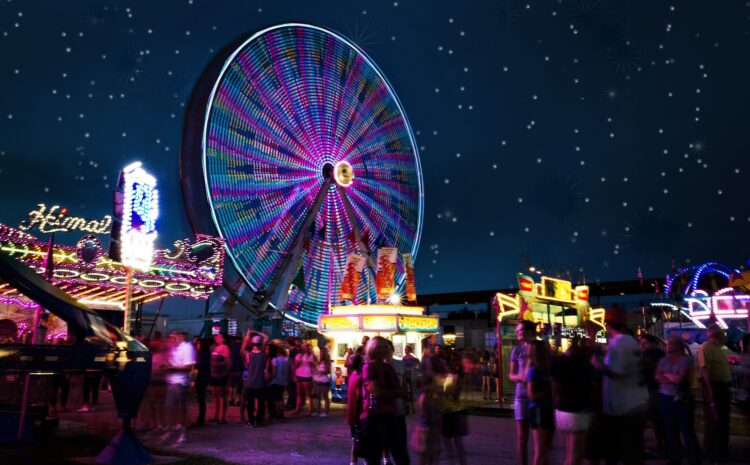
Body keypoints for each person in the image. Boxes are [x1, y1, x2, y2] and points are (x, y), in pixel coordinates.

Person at [592, 305, 648, 465]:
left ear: (608, 324)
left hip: (624, 408)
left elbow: (616, 373)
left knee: (623, 453)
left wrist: (597, 364)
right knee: (633, 452)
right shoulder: (630, 341)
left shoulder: (619, 343)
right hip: (635, 403)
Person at [360, 336, 409, 465]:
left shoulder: (389, 367)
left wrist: (391, 393)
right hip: (374, 416)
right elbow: (376, 392)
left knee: (401, 454)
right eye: (381, 347)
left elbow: (402, 392)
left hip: (390, 414)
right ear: (374, 349)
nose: (385, 350)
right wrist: (395, 393)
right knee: (374, 456)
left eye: (386, 347)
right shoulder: (368, 367)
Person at [655, 335, 701, 465]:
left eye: (671, 344)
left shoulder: (687, 360)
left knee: (687, 429)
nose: (668, 346)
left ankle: (693, 458)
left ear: (679, 346)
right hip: (666, 397)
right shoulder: (663, 360)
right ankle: (675, 458)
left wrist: (666, 376)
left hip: (682, 398)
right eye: (668, 344)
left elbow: (681, 379)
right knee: (670, 430)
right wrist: (672, 378)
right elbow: (657, 376)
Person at [551, 337, 593, 465]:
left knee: (569, 453)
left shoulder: (560, 365)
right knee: (576, 454)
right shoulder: (584, 366)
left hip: (561, 411)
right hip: (578, 412)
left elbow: (554, 387)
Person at [698, 324, 731, 462]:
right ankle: (712, 452)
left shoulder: (722, 348)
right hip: (714, 387)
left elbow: (731, 358)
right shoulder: (705, 348)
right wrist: (710, 391)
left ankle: (721, 451)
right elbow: (705, 371)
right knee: (714, 420)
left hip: (723, 387)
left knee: (723, 420)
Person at [509, 320, 536, 465]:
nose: (517, 332)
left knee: (539, 441)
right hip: (521, 398)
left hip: (537, 397)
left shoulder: (541, 348)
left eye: (520, 330)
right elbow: (511, 374)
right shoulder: (517, 350)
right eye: (517, 330)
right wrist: (520, 377)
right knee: (522, 439)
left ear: (530, 331)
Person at [164, 330, 196, 444]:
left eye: (173, 338)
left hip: (180, 382)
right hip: (172, 381)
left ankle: (182, 434)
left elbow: (188, 367)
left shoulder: (187, 348)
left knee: (179, 409)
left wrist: (171, 368)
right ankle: (172, 431)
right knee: (170, 408)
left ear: (181, 337)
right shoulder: (174, 347)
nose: (171, 340)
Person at [527, 340, 554, 465]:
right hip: (538, 410)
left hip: (548, 409)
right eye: (547, 350)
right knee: (541, 450)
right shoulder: (534, 371)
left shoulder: (548, 369)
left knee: (547, 449)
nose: (550, 351)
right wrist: (548, 391)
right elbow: (531, 395)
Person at [639, 334, 666, 454]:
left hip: (654, 389)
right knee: (655, 419)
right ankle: (662, 444)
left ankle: (662, 444)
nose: (642, 346)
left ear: (652, 343)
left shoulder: (657, 355)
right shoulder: (646, 355)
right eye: (641, 344)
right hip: (649, 388)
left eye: (644, 343)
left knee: (656, 418)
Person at [441, 351, 468, 465]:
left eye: (455, 361)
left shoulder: (456, 376)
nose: (452, 363)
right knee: (453, 440)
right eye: (450, 361)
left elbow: (455, 394)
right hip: (450, 409)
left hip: (454, 409)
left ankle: (460, 462)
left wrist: (443, 393)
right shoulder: (449, 375)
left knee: (455, 440)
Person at [411, 376, 441, 465]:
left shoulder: (431, 397)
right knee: (424, 457)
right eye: (432, 384)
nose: (435, 386)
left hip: (431, 430)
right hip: (425, 431)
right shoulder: (424, 398)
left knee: (433, 457)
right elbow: (430, 415)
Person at [243, 331, 269, 427]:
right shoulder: (263, 355)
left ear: (252, 343)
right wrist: (257, 332)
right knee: (261, 403)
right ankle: (259, 420)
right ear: (260, 344)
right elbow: (266, 337)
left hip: (250, 382)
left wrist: (249, 334)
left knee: (250, 403)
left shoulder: (248, 355)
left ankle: (251, 420)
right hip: (261, 382)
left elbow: (244, 348)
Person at [346, 354, 366, 465]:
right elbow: (359, 395)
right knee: (362, 440)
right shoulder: (359, 378)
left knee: (355, 440)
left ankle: (353, 462)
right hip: (359, 413)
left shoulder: (351, 376)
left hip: (351, 413)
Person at [209, 333, 231, 423]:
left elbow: (228, 362)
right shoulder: (215, 347)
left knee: (222, 396)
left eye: (218, 336)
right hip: (214, 375)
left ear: (223, 339)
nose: (216, 338)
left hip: (221, 375)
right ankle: (215, 415)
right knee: (215, 396)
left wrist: (217, 365)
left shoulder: (225, 348)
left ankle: (223, 417)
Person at [293, 342, 316, 415]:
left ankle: (310, 410)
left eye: (305, 347)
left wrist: (311, 364)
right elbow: (295, 366)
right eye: (302, 347)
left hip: (307, 375)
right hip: (299, 374)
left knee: (308, 394)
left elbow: (314, 365)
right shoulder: (298, 355)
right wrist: (298, 362)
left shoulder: (311, 355)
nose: (303, 348)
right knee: (299, 393)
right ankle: (297, 410)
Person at [193, 337, 211, 427]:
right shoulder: (201, 354)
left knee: (201, 399)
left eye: (199, 344)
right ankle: (200, 419)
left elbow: (202, 367)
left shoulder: (204, 355)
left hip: (202, 378)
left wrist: (195, 366)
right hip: (201, 378)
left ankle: (201, 419)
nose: (197, 345)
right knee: (200, 399)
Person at [269, 344, 290, 419]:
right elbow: (288, 371)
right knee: (281, 396)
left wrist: (271, 378)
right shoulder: (286, 359)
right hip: (284, 380)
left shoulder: (274, 360)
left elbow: (274, 371)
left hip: (276, 380)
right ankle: (282, 412)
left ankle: (278, 412)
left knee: (277, 398)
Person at [313, 346, 332, 417]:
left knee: (325, 396)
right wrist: (315, 371)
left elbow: (328, 371)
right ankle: (318, 411)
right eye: (320, 352)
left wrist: (321, 372)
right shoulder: (319, 361)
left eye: (323, 352)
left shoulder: (327, 361)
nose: (321, 353)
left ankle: (326, 412)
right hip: (317, 380)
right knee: (318, 396)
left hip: (324, 380)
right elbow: (315, 368)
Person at [402, 345, 420, 412]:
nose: (405, 350)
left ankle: (411, 407)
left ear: (409, 350)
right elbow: (418, 364)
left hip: (410, 375)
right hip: (408, 375)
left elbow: (417, 364)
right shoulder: (406, 357)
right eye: (405, 349)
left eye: (406, 349)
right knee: (410, 391)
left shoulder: (410, 357)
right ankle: (411, 407)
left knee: (410, 391)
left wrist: (413, 369)